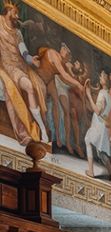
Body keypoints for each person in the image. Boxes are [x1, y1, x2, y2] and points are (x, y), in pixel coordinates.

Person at [0, 1, 48, 146]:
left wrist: (31, 60)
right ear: (8, 10)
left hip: (19, 67)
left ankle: (42, 129)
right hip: (6, 67)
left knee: (32, 87)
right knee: (14, 89)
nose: (17, 16)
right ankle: (26, 130)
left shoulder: (18, 33)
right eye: (15, 13)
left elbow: (24, 52)